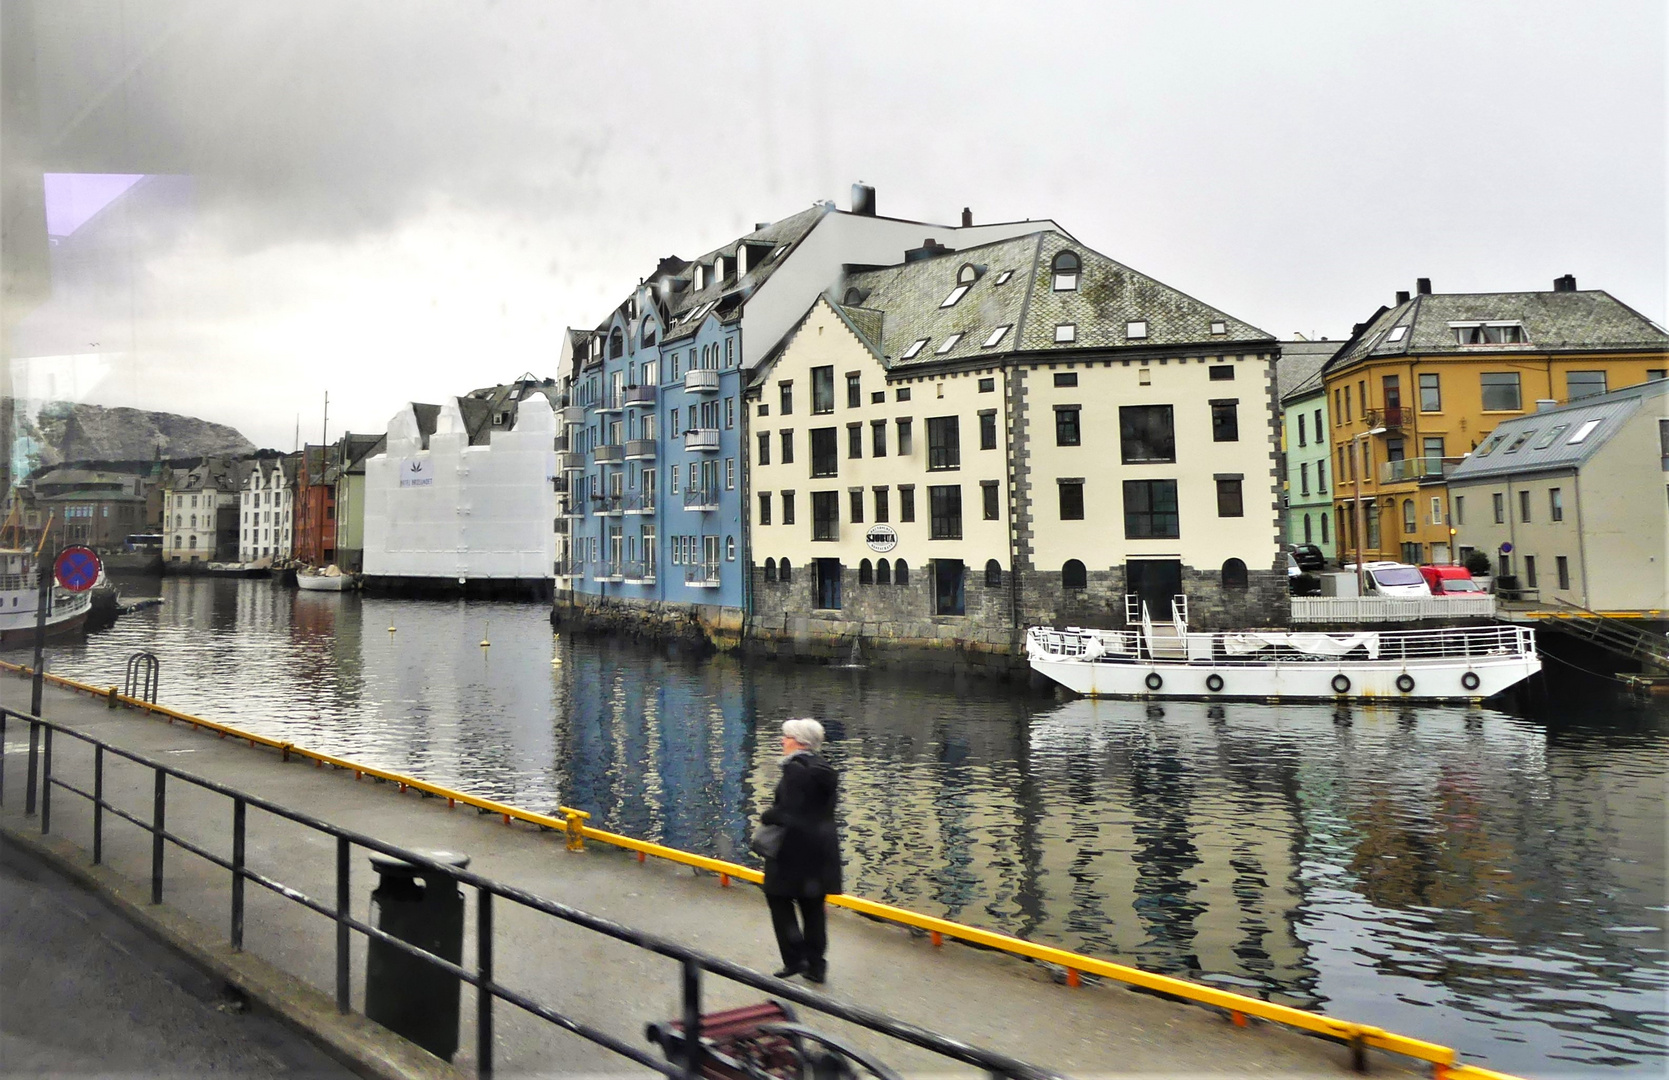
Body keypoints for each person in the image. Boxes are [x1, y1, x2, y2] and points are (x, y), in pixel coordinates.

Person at [759, 717, 842, 983]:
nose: (783, 741)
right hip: (822, 848)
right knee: (813, 906)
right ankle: (816, 966)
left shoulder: (795, 770)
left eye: (787, 737)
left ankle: (795, 958)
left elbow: (789, 811)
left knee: (776, 896)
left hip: (794, 850)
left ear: (800, 742)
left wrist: (768, 815)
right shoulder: (824, 768)